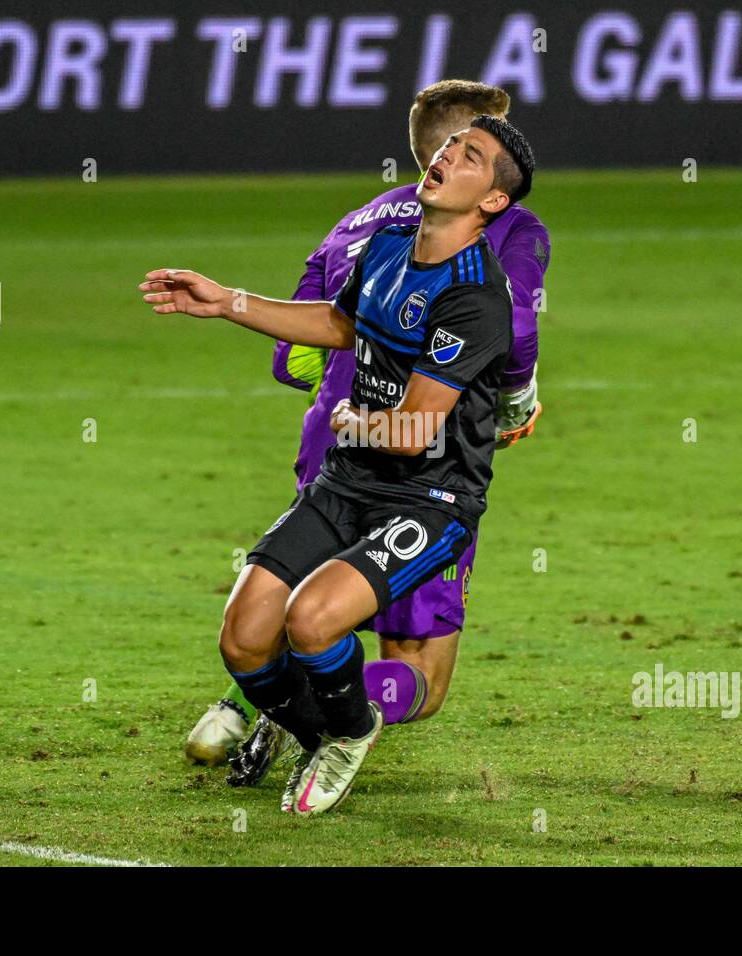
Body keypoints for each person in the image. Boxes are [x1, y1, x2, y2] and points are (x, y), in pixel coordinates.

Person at [140, 116, 537, 813]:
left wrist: (353, 419)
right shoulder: (388, 244)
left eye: (470, 156)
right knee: (242, 637)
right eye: (449, 145)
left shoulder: (476, 295)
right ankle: (313, 727)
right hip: (347, 480)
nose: (446, 156)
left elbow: (416, 429)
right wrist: (226, 301)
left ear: (492, 202)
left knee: (314, 621)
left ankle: (351, 732)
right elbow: (339, 323)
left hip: (428, 498)